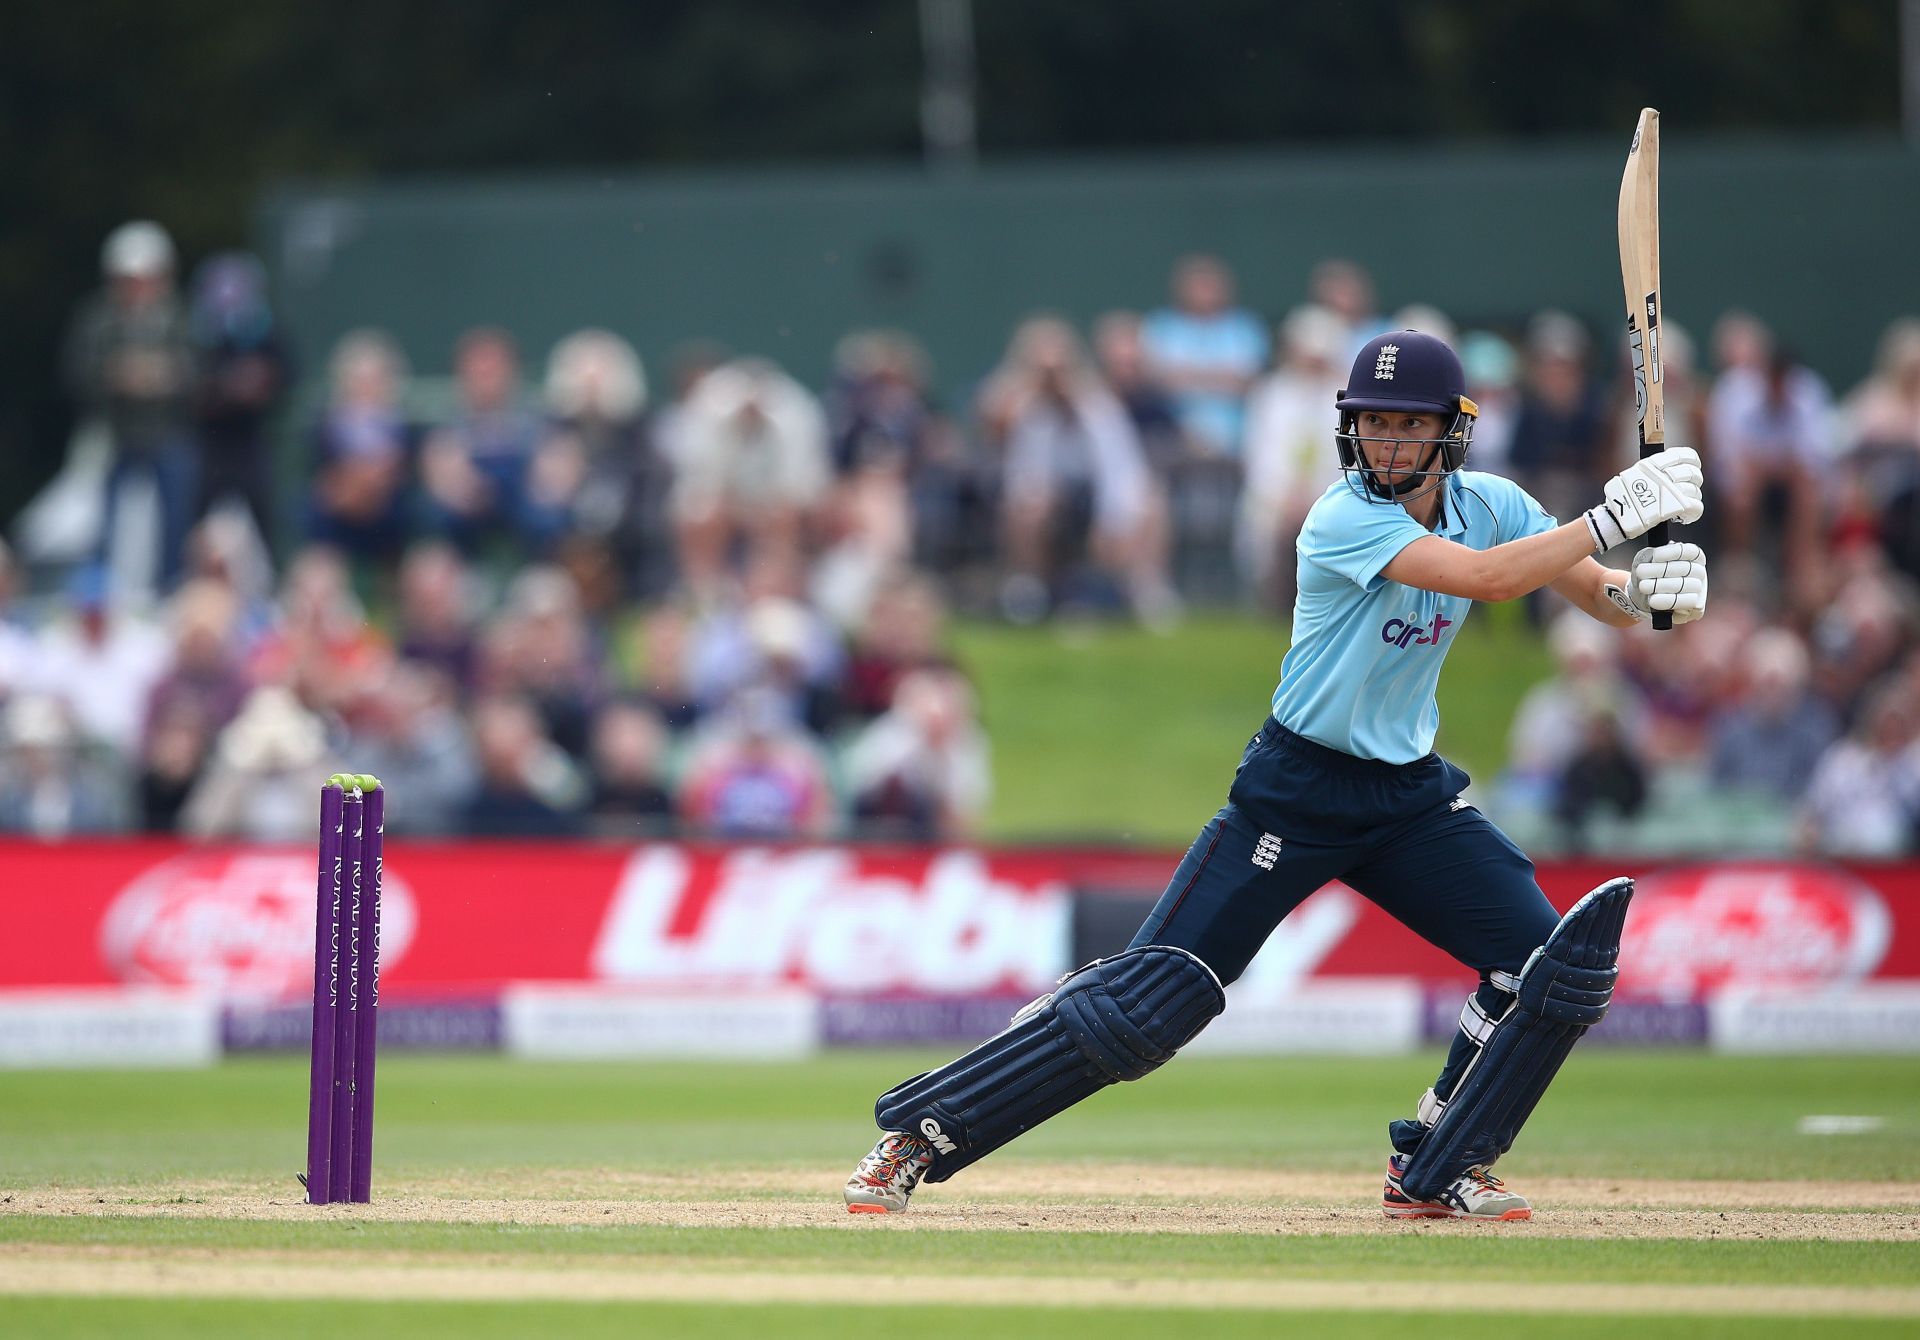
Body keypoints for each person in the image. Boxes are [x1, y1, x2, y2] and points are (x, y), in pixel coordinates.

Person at [843, 330, 1708, 1221]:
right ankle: (920, 1134)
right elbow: (1488, 583)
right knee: (1152, 1002)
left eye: (1410, 427)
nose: (1389, 445)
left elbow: (1591, 595)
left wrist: (1646, 594)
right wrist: (1613, 516)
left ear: (1452, 432)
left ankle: (1444, 1162)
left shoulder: (1494, 505)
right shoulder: (1342, 516)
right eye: (1374, 425)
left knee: (1546, 969)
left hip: (1407, 795)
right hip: (1296, 791)